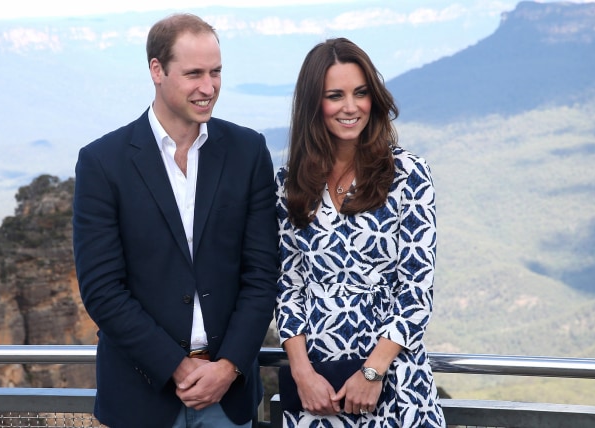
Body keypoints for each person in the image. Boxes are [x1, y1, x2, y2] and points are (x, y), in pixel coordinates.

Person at [72, 13, 279, 428]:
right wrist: (177, 368)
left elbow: (262, 273)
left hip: (229, 396)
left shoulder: (248, 151)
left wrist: (228, 367)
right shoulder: (102, 163)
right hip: (140, 396)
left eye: (216, 72)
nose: (209, 87)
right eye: (194, 74)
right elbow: (102, 290)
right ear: (156, 70)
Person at [274, 37, 446, 427]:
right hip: (318, 393)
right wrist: (303, 375)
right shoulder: (288, 184)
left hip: (394, 383)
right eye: (335, 95)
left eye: (361, 93)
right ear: (314, 105)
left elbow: (416, 290)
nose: (351, 107)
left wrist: (372, 372)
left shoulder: (409, 176)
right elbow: (288, 288)